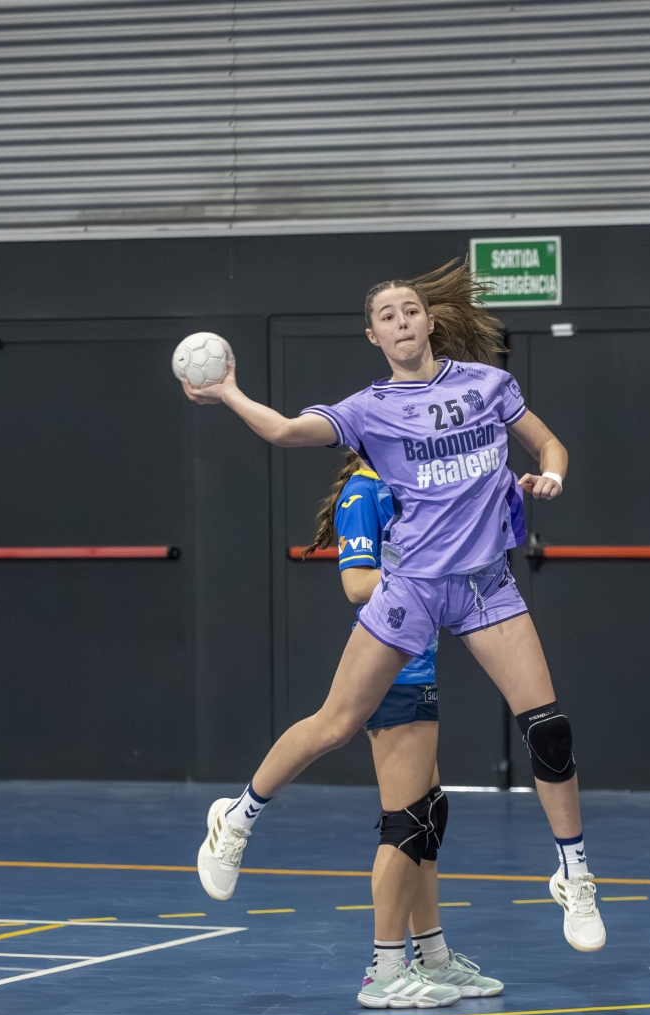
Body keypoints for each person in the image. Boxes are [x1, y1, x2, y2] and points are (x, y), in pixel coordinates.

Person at [188, 258, 605, 952]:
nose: (402, 322)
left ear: (430, 322)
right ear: (373, 336)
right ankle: (237, 816)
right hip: (411, 588)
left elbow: (548, 442)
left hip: (484, 584)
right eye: (388, 316)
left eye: (411, 311)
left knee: (549, 729)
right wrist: (230, 392)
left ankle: (576, 874)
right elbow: (286, 432)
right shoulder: (367, 409)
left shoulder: (487, 385)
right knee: (336, 724)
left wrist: (552, 475)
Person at [306, 452, 504, 1008]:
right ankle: (385, 969)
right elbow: (356, 584)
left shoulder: (407, 490)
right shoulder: (361, 493)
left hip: (418, 664)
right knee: (407, 823)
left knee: (428, 816)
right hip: (389, 669)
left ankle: (432, 957)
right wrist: (425, 574)